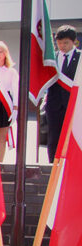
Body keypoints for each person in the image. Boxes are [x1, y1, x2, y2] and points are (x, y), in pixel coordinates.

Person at [45, 25, 79, 162]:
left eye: (66, 43)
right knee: (53, 137)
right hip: (54, 104)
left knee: (73, 138)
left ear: (74, 42)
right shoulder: (52, 58)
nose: (62, 46)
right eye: (59, 43)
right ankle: (53, 166)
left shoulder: (80, 57)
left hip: (74, 104)